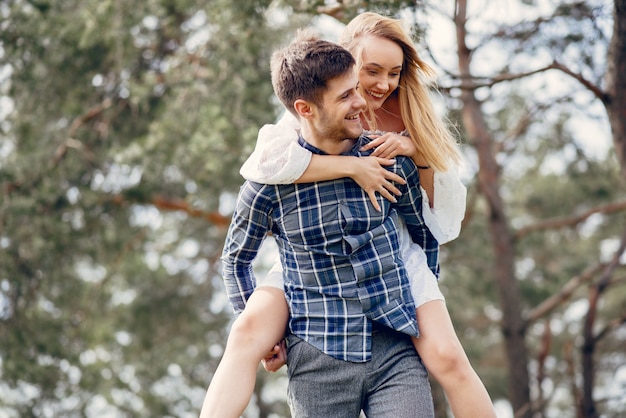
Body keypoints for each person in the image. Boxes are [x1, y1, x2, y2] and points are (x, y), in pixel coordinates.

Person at [201, 12, 496, 418]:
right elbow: (267, 171)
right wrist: (351, 167)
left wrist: (413, 149)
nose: (378, 86)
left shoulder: (398, 126)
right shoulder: (301, 115)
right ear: (349, 63)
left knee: (448, 358)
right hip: (310, 260)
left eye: (393, 72)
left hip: (390, 253)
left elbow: (428, 224)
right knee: (247, 331)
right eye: (369, 73)